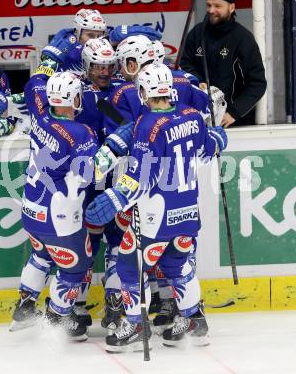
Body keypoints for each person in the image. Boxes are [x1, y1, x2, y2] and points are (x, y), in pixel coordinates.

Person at [85, 63, 228, 352]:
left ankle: (136, 324)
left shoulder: (147, 124)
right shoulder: (191, 116)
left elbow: (141, 174)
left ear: (143, 92)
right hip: (187, 212)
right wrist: (219, 138)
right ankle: (194, 321)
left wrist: (115, 198)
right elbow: (207, 147)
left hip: (156, 216)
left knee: (129, 266)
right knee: (178, 267)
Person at [10, 71, 98, 341]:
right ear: (72, 99)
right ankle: (58, 318)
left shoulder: (40, 117)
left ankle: (25, 307)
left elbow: (33, 86)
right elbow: (86, 176)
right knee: (76, 266)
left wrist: (48, 62)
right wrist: (112, 153)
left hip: (31, 209)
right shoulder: (81, 132)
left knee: (41, 256)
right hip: (59, 216)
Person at [180, 0, 267, 127]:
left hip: (232, 121)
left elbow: (257, 83)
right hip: (199, 118)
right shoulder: (197, 33)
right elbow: (185, 65)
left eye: (217, 6)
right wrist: (198, 81)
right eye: (208, 5)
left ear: (231, 8)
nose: (211, 10)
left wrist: (234, 113)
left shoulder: (243, 38)